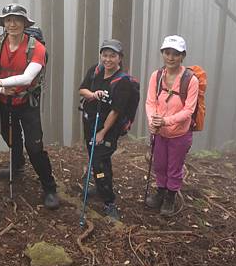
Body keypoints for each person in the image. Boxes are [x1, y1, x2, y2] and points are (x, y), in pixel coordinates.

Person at [0, 4, 59, 210]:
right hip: (4, 101)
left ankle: (49, 187)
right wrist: (2, 90)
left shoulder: (36, 48)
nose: (12, 24)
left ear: (24, 23)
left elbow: (27, 77)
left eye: (17, 20)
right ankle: (18, 164)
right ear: (3, 23)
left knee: (34, 146)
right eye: (8, 20)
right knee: (10, 136)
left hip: (27, 103)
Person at [145, 35, 198, 216]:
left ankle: (170, 197)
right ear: (162, 53)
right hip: (159, 132)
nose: (171, 57)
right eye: (167, 53)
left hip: (179, 133)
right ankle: (160, 192)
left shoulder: (191, 80)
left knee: (174, 167)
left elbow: (189, 111)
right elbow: (150, 102)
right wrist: (153, 120)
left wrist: (165, 121)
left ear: (183, 56)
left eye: (175, 54)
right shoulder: (157, 76)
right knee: (160, 164)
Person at [79, 39, 132, 221]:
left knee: (99, 162)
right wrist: (93, 95)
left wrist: (102, 133)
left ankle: (109, 201)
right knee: (97, 159)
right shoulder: (95, 71)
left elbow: (116, 111)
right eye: (105, 55)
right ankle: (101, 185)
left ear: (120, 58)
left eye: (112, 56)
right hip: (90, 123)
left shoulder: (123, 82)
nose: (108, 59)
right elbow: (82, 90)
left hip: (107, 129)